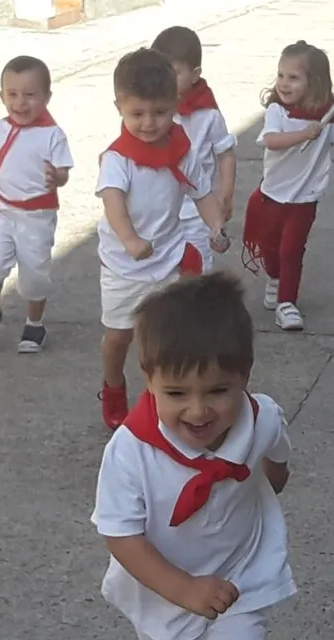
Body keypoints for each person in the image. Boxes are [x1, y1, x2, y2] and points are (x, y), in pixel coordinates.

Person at [91, 271, 297, 640]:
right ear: (149, 380)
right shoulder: (132, 450)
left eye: (217, 390)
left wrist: (271, 480)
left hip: (242, 576)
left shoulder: (262, 418)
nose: (198, 410)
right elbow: (120, 535)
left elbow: (277, 460)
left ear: (245, 375)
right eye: (176, 393)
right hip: (159, 589)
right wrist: (184, 589)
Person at [95, 47, 229, 430]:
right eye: (137, 114)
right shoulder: (118, 159)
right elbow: (113, 203)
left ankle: (159, 396)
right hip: (124, 266)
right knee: (119, 336)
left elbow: (202, 193)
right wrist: (130, 240)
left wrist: (216, 226)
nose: (149, 123)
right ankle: (113, 386)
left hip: (169, 256)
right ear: (119, 107)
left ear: (175, 106)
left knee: (166, 337)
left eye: (160, 112)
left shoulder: (182, 151)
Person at [241, 40, 334, 332]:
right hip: (272, 195)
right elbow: (271, 140)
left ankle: (287, 303)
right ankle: (274, 278)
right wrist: (303, 135)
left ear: (314, 84)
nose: (283, 83)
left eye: (293, 77)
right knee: (269, 248)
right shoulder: (277, 111)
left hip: (304, 199)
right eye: (281, 75)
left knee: (291, 250)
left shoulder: (327, 116)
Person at [0, 55, 72, 354]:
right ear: (1, 96)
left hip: (37, 217)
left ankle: (35, 325)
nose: (20, 103)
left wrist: (57, 177)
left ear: (46, 97)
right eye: (12, 94)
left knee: (35, 273)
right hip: (3, 211)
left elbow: (63, 173)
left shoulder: (52, 134)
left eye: (29, 95)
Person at [151, 25, 237, 272]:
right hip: (159, 210)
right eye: (160, 72)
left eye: (174, 73)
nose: (165, 81)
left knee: (198, 269)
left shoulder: (208, 114)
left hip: (196, 211)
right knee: (161, 271)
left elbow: (225, 154)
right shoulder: (151, 111)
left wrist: (225, 195)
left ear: (195, 74)